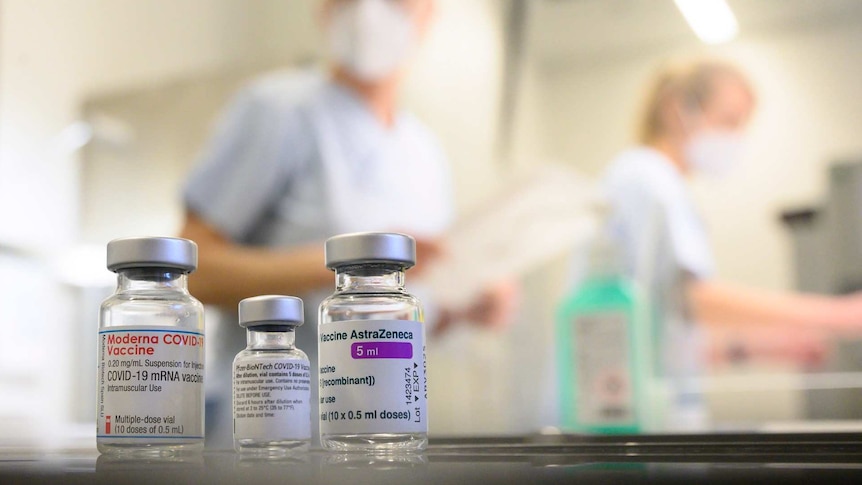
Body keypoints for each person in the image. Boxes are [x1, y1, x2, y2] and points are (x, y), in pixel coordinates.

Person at [180, 0, 513, 448]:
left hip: (388, 435)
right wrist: (352, 266)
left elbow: (397, 316)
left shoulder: (424, 152)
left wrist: (461, 308)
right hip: (272, 434)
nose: (369, 12)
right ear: (322, 10)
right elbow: (192, 276)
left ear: (429, 13)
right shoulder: (277, 109)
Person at [602, 58, 862, 427]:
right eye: (729, 122)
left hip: (644, 411)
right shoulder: (647, 180)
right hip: (628, 421)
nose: (735, 139)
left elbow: (662, 327)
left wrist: (760, 347)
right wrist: (840, 315)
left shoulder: (656, 183)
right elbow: (693, 299)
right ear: (679, 110)